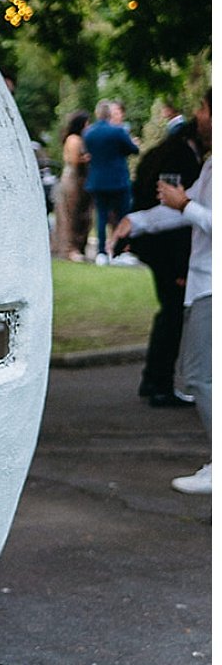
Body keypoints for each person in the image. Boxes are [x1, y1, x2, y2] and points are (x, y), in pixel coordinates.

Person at [115, 90, 212, 496]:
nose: (199, 116)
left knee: (201, 377)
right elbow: (181, 213)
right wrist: (136, 221)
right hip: (203, 282)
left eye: (205, 108)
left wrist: (185, 202)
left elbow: (198, 214)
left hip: (211, 285)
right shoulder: (211, 163)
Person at [119, 101, 207, 406]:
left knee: (198, 370)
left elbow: (186, 208)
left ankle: (157, 381)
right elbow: (181, 210)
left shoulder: (192, 158)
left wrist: (178, 207)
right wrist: (139, 221)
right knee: (176, 323)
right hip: (177, 257)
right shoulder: (193, 161)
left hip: (188, 264)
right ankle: (157, 382)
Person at [83, 99, 139, 262]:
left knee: (101, 217)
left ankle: (101, 253)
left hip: (97, 180)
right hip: (117, 180)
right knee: (122, 216)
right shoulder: (118, 131)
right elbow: (133, 149)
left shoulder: (89, 133)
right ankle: (120, 251)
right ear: (109, 114)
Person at [51, 110, 91, 261]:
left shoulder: (78, 138)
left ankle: (76, 247)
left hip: (79, 178)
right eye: (87, 123)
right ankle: (69, 249)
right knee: (70, 212)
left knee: (79, 213)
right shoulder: (74, 139)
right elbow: (75, 160)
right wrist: (88, 158)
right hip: (73, 178)